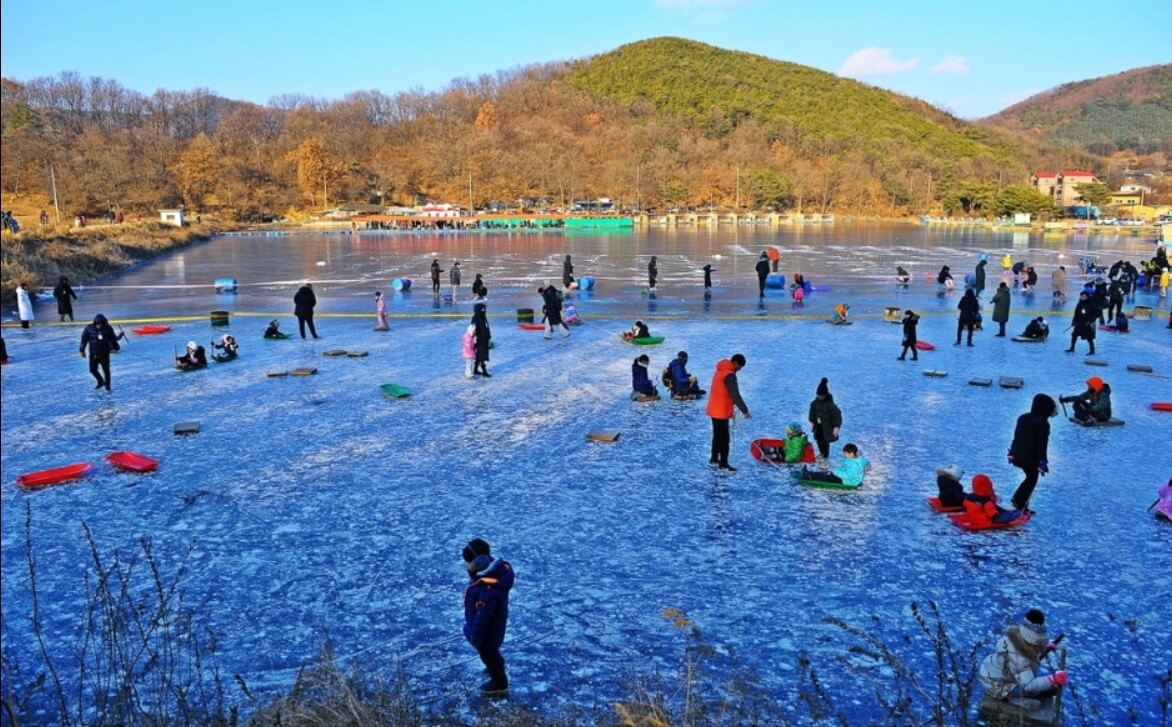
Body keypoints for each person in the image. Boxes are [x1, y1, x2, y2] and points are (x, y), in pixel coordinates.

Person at [979, 609, 1067, 710]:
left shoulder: (1019, 640)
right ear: (1031, 642)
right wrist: (1052, 679)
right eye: (1039, 644)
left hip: (994, 672)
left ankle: (1036, 693)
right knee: (1030, 691)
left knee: (1040, 687)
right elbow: (1028, 685)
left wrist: (1045, 647)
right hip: (996, 684)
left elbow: (1032, 651)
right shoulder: (1019, 658)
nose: (1041, 647)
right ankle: (1012, 700)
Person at [461, 538, 515, 695]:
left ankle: (499, 682)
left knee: (488, 654)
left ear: (479, 562)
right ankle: (497, 664)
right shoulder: (487, 578)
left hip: (487, 633)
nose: (466, 565)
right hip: (489, 629)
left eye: (469, 562)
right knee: (491, 654)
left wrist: (476, 636)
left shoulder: (488, 589)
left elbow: (483, 617)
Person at [1008, 393, 1057, 512]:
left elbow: (1017, 437)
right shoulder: (1043, 424)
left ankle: (1017, 499)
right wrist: (1042, 462)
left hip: (1018, 454)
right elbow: (1042, 444)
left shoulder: (1023, 417)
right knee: (1032, 479)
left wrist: (1012, 452)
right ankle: (1020, 504)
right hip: (1031, 458)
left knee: (1029, 478)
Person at [707, 353, 750, 471]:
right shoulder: (729, 375)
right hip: (721, 410)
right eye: (739, 367)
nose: (739, 370)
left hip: (713, 408)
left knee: (717, 435)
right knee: (724, 438)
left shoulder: (720, 371)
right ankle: (723, 464)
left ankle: (714, 458)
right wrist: (745, 410)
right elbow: (735, 395)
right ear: (735, 363)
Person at [79, 313, 120, 391]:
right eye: (97, 324)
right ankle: (100, 381)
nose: (99, 325)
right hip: (93, 354)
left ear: (104, 323)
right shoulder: (89, 328)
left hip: (104, 354)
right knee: (92, 370)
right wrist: (81, 350)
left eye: (100, 324)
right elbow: (83, 340)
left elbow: (113, 339)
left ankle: (107, 385)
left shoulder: (108, 328)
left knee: (106, 371)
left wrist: (116, 347)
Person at [807, 377, 842, 464]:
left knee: (825, 441)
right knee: (819, 439)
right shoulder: (814, 403)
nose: (820, 397)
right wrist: (812, 421)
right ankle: (822, 454)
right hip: (818, 426)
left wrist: (836, 427)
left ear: (825, 395)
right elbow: (812, 413)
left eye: (822, 395)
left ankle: (825, 456)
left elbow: (837, 415)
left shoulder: (830, 405)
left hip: (827, 427)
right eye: (819, 395)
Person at [800, 443, 870, 485]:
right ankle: (811, 473)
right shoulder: (860, 460)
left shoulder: (854, 465)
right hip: (847, 478)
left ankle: (809, 476)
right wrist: (866, 468)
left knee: (828, 476)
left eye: (845, 454)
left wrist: (836, 471)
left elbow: (847, 476)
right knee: (828, 473)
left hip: (847, 481)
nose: (844, 455)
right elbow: (868, 463)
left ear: (851, 453)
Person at [472, 303, 492, 377]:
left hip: (485, 339)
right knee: (482, 356)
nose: (484, 310)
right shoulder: (476, 318)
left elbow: (486, 327)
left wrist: (489, 337)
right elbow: (472, 329)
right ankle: (484, 371)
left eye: (484, 309)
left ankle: (475, 370)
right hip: (479, 340)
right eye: (482, 309)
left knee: (479, 355)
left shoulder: (483, 317)